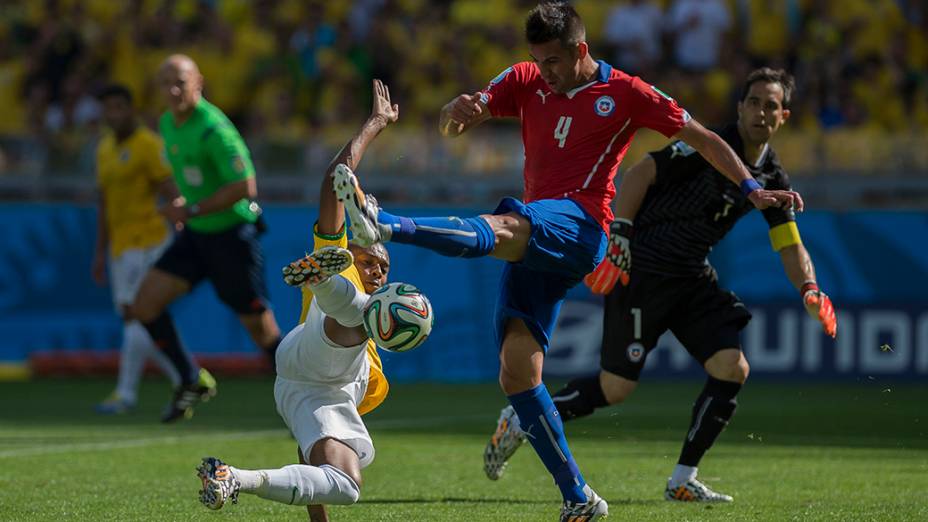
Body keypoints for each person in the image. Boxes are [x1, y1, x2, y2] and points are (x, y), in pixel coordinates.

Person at [335, 3, 802, 520]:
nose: (546, 72)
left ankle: (386, 225)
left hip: (582, 226)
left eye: (554, 61)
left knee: (506, 227)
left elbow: (704, 139)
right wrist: (458, 112)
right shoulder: (526, 77)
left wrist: (754, 188)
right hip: (541, 233)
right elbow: (468, 111)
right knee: (517, 373)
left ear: (580, 50)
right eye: (538, 59)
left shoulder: (626, 92)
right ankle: (580, 497)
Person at [485, 68, 837, 503]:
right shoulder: (709, 146)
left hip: (690, 276)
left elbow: (789, 243)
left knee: (733, 367)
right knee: (616, 388)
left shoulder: (774, 179)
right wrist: (621, 234)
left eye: (771, 105)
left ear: (783, 115)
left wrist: (810, 288)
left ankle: (682, 479)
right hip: (642, 267)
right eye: (754, 102)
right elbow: (640, 173)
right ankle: (523, 418)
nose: (761, 112)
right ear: (740, 107)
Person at [196, 79, 398, 522]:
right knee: (370, 313)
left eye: (384, 267)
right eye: (372, 260)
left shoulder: (371, 328)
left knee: (346, 485)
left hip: (308, 387)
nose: (378, 270)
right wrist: (374, 125)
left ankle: (234, 478)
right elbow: (332, 182)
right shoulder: (353, 272)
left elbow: (307, 455)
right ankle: (334, 267)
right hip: (321, 343)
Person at [126, 54, 281, 423]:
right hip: (197, 236)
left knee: (263, 333)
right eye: (166, 83)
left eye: (181, 81)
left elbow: (246, 186)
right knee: (144, 304)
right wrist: (183, 203)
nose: (173, 89)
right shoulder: (168, 122)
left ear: (199, 83)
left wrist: (190, 211)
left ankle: (306, 402)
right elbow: (189, 178)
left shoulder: (214, 129)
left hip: (232, 237)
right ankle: (190, 379)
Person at [91, 84, 181, 414]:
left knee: (138, 317)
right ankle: (188, 378)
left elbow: (171, 191)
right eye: (107, 109)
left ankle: (125, 394)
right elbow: (104, 203)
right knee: (141, 320)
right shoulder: (103, 149)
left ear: (131, 109)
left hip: (149, 240)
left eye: (118, 107)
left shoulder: (148, 145)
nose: (113, 115)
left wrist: (180, 221)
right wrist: (100, 251)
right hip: (121, 247)